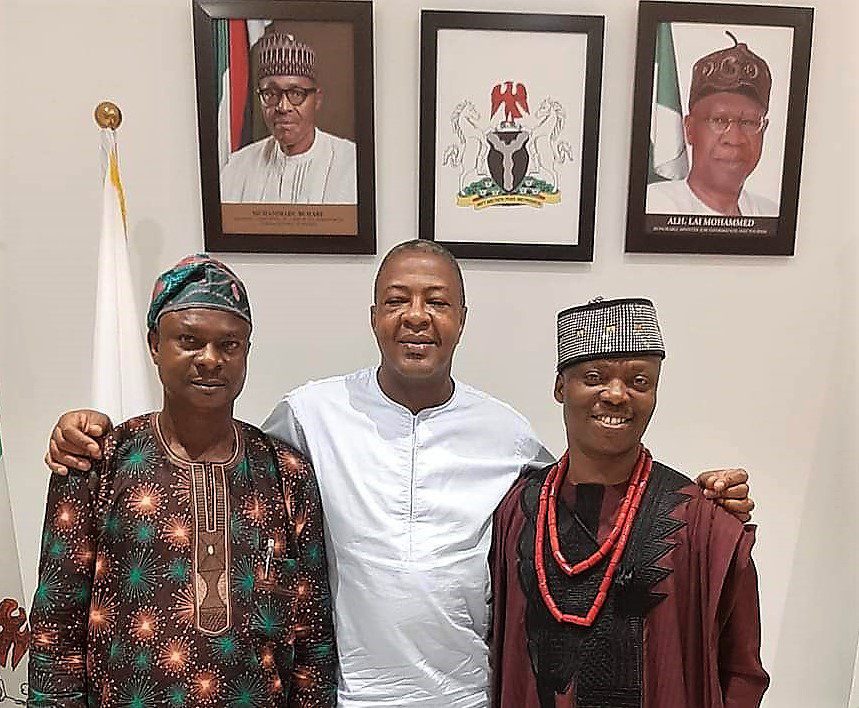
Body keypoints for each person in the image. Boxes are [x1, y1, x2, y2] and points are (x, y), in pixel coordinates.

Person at [45, 241, 753, 707]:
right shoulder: (306, 417)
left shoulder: (506, 433)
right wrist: (85, 428)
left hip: (466, 695)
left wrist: (703, 496)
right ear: (376, 315)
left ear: (461, 320)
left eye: (437, 301)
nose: (417, 316)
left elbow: (590, 501)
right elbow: (212, 448)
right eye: (397, 300)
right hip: (348, 697)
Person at [29, 256, 337, 706]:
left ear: (247, 351)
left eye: (229, 345)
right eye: (189, 341)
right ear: (155, 345)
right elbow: (55, 631)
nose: (210, 360)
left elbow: (312, 641)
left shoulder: (286, 473)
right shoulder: (99, 462)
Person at [489, 297, 769, 707]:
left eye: (639, 381)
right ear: (560, 386)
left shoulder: (704, 526)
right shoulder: (518, 510)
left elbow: (743, 672)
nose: (617, 395)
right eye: (594, 377)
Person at [647, 32, 778, 217]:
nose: (734, 139)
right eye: (719, 120)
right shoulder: (655, 207)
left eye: (748, 122)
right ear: (690, 129)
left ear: (763, 130)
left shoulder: (770, 215)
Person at [220, 32, 357, 204]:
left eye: (296, 93)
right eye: (270, 93)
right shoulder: (238, 167)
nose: (283, 107)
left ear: (317, 99)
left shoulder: (352, 164)